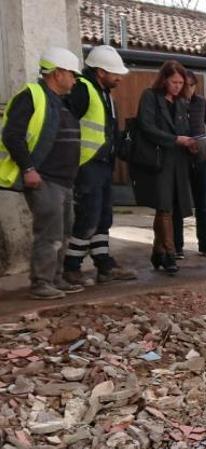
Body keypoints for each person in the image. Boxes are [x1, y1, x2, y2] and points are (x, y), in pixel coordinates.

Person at [0, 47, 85, 299]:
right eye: (72, 74)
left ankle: (55, 279)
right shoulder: (32, 96)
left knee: (63, 231)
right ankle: (41, 283)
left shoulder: (61, 101)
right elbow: (12, 135)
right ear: (58, 73)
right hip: (44, 177)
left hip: (64, 180)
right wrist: (28, 168)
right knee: (49, 232)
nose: (74, 80)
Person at [62, 45, 137, 286]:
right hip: (87, 164)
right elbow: (65, 124)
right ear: (101, 71)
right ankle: (71, 267)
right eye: (115, 73)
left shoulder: (104, 94)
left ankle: (104, 265)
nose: (119, 78)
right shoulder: (82, 89)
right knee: (88, 217)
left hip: (103, 164)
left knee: (103, 217)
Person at [129, 60, 195, 275]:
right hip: (157, 159)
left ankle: (158, 250)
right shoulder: (150, 96)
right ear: (165, 79)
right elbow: (146, 126)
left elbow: (187, 128)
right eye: (174, 81)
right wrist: (175, 139)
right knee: (164, 205)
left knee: (169, 206)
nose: (177, 86)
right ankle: (169, 252)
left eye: (181, 82)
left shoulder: (182, 102)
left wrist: (193, 143)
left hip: (178, 161)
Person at [172, 70, 206, 259]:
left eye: (192, 86)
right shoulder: (173, 103)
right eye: (186, 85)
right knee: (179, 204)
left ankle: (204, 244)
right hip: (180, 160)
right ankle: (177, 247)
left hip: (200, 160)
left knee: (203, 204)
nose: (189, 89)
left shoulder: (201, 103)